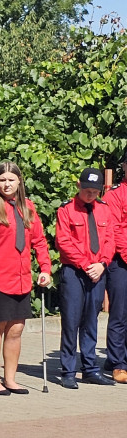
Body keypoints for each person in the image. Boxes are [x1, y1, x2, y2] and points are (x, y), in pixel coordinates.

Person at [0, 161, 52, 395]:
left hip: (22, 279)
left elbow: (39, 241)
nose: (7, 184)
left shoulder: (29, 208)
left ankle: (10, 379)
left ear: (19, 181)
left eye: (11, 179)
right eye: (2, 180)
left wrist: (45, 268)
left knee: (16, 329)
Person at [56, 168, 115, 389]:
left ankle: (90, 369)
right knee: (71, 322)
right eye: (87, 190)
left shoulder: (104, 210)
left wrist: (102, 264)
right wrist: (85, 264)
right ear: (79, 186)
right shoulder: (66, 210)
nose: (91, 195)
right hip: (74, 272)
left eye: (95, 191)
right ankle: (68, 371)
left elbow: (110, 240)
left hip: (97, 271)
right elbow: (64, 241)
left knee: (91, 321)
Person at [103, 149, 127, 383]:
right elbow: (115, 230)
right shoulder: (115, 195)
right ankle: (119, 363)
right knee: (119, 313)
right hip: (121, 261)